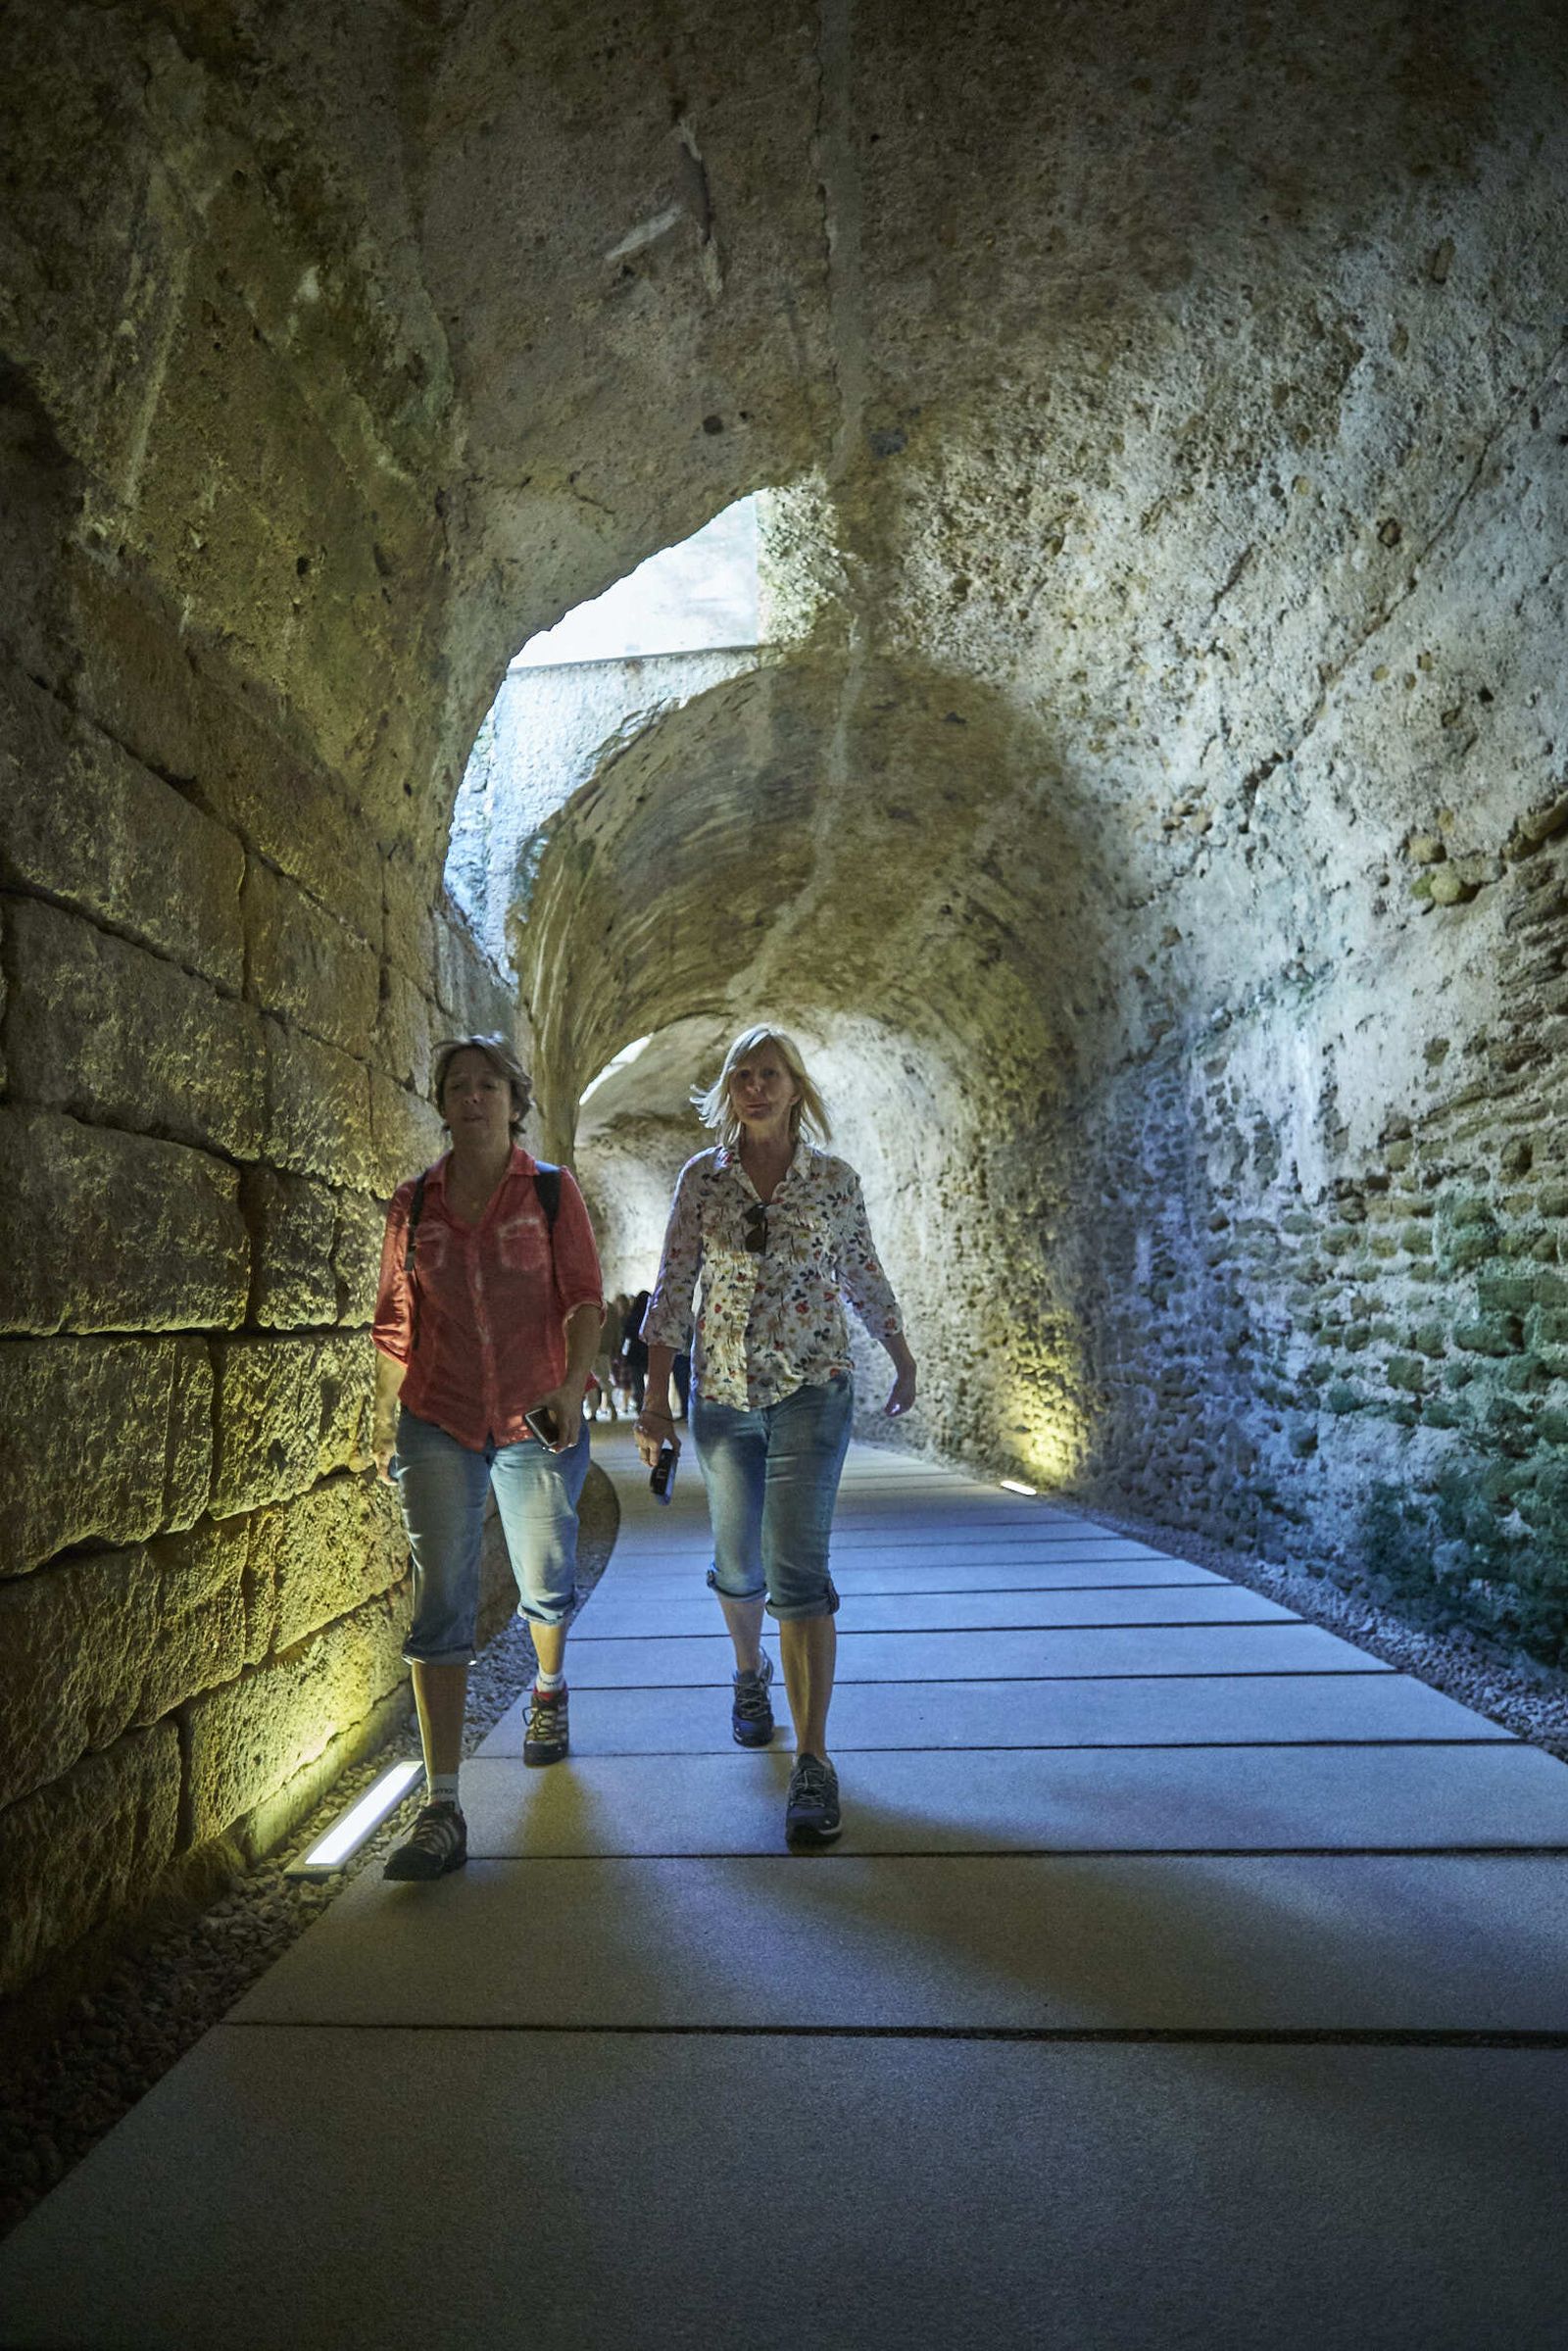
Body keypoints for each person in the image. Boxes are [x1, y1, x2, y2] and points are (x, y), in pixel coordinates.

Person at [635, 1025, 916, 1847]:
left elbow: (861, 1269)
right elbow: (673, 1285)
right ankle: (746, 1672)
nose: (754, 1087)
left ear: (796, 1088)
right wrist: (656, 1399)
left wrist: (900, 1354)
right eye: (741, 1076)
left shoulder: (832, 1181)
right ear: (729, 1091)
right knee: (739, 1564)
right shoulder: (702, 1180)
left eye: (770, 1074)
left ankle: (814, 1761)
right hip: (722, 1396)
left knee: (799, 1571)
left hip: (811, 1388)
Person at [371, 1034, 605, 1880]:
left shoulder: (549, 1192)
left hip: (536, 1411)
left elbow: (583, 1298)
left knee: (545, 1574)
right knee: (444, 1597)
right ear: (441, 1103)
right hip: (437, 1415)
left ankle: (548, 1688)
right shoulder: (414, 1203)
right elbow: (394, 1319)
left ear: (515, 1100)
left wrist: (573, 1388)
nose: (472, 1098)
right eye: (457, 1086)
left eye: (487, 1085)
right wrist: (383, 1420)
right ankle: (442, 1804)